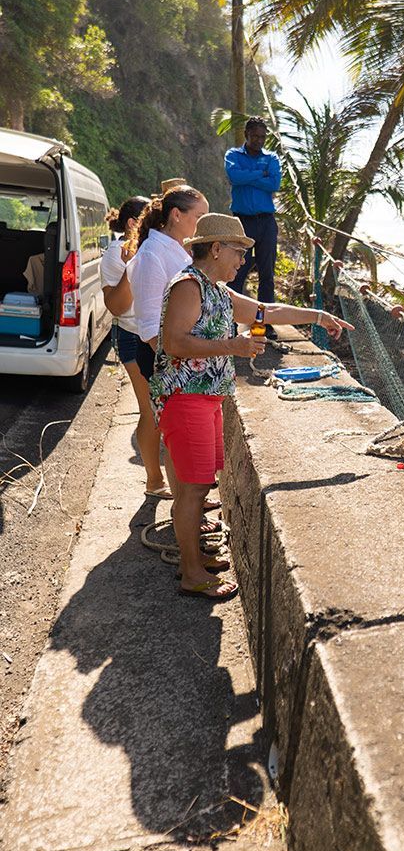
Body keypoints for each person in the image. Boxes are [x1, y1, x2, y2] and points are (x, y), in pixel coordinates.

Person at [151, 213, 353, 600]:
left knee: (198, 486)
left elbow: (266, 310)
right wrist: (233, 346)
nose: (243, 260)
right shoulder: (188, 287)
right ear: (215, 248)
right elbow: (175, 343)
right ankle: (191, 573)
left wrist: (317, 316)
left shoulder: (217, 291)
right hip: (187, 398)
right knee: (192, 490)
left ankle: (194, 560)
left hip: (206, 398)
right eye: (238, 251)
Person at [128, 184, 209, 499]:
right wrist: (180, 366)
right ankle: (183, 505)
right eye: (199, 217)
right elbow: (149, 328)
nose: (202, 225)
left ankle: (188, 499)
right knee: (172, 431)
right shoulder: (152, 254)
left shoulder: (177, 249)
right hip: (164, 357)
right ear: (177, 215)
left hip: (177, 355)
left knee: (175, 431)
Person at [100, 195, 167, 497]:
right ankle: (154, 481)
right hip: (132, 335)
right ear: (132, 223)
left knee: (162, 409)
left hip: (159, 335)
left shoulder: (156, 249)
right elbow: (117, 306)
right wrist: (131, 267)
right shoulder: (116, 254)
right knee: (151, 409)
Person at [224, 116, 281, 337]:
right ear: (247, 134)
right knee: (236, 271)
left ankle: (266, 323)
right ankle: (230, 322)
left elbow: (274, 183)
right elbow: (234, 176)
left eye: (263, 137)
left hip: (266, 222)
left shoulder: (272, 157)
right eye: (255, 136)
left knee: (267, 273)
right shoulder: (233, 155)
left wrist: (248, 177)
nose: (259, 141)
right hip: (242, 221)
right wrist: (260, 174)